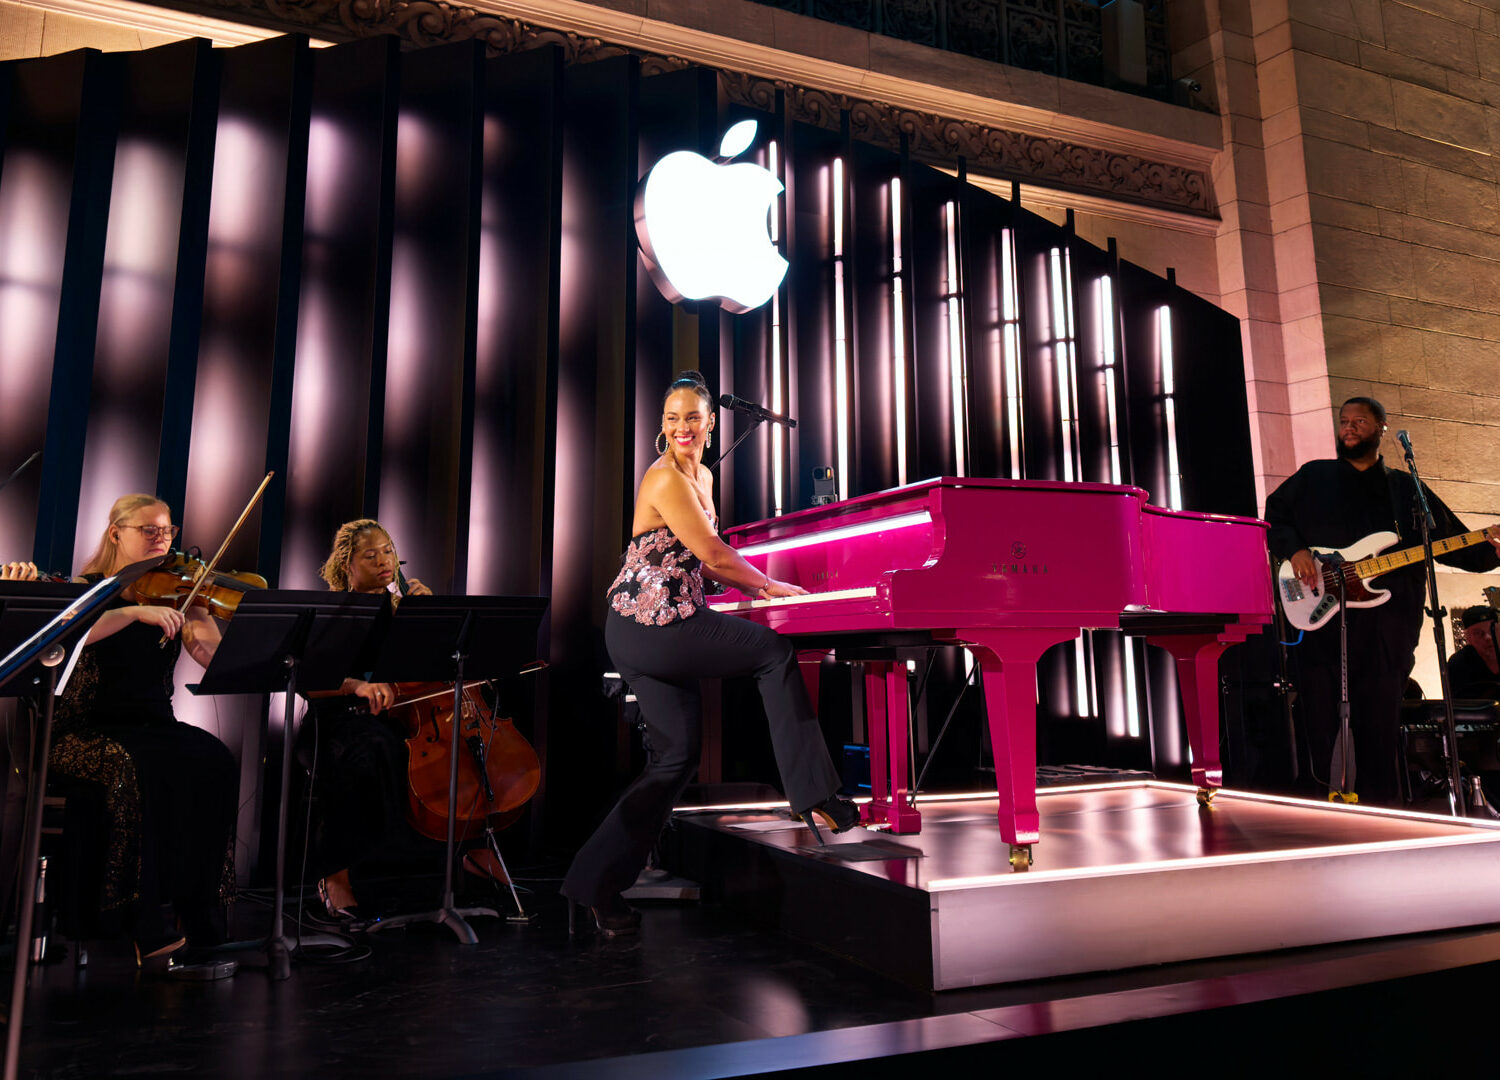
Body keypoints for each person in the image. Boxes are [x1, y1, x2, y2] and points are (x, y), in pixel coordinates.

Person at [561, 371, 858, 937]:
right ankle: (815, 794)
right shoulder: (665, 477)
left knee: (676, 758)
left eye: (692, 418)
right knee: (773, 653)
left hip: (652, 623)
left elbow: (696, 561)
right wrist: (768, 586)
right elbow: (714, 554)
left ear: (711, 423)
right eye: (673, 418)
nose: (682, 427)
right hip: (652, 625)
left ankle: (593, 886)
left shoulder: (701, 476)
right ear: (662, 423)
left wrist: (743, 585)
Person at [1265, 397, 1500, 804]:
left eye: (1359, 421)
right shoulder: (1314, 476)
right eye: (1344, 421)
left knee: (1380, 722)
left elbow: (1448, 540)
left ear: (1381, 429)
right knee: (1317, 718)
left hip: (1389, 628)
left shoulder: (1406, 488)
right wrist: (1296, 550)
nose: (1349, 428)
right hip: (1322, 623)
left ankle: (1383, 808)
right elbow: (1275, 514)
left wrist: (1490, 550)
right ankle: (1313, 807)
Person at [47, 494, 237, 966]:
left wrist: (204, 616)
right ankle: (140, 920)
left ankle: (200, 911)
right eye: (149, 530)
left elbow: (208, 654)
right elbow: (68, 632)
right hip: (81, 730)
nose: (161, 539)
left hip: (152, 725)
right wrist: (133, 613)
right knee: (136, 768)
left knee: (213, 759)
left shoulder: (179, 591)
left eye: (168, 531)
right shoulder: (87, 591)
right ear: (116, 533)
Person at [301, 518, 430, 922]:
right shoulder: (334, 613)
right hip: (336, 720)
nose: (383, 561)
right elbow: (309, 683)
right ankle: (335, 875)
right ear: (348, 566)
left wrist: (428, 617)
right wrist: (356, 685)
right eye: (370, 555)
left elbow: (432, 670)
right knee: (368, 752)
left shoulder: (402, 607)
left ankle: (466, 856)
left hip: (399, 716)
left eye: (388, 551)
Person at [1447, 606, 1500, 701]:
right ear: (1468, 638)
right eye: (1478, 633)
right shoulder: (1459, 663)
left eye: (1492, 630)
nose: (1488, 637)